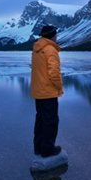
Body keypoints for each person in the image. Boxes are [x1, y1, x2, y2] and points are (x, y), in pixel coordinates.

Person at [30, 24, 64, 157]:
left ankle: (38, 147)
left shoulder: (37, 48)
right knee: (51, 122)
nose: (56, 37)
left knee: (40, 120)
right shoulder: (50, 50)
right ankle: (48, 149)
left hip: (38, 91)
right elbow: (54, 73)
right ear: (52, 35)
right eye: (56, 34)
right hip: (48, 92)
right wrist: (59, 87)